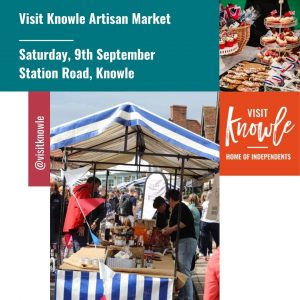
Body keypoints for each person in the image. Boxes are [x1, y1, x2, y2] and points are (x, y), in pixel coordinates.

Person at [163, 189, 197, 300]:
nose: (168, 203)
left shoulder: (180, 207)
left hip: (186, 241)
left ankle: (188, 297)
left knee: (184, 271)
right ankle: (183, 296)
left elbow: (185, 222)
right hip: (183, 241)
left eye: (168, 201)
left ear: (171, 199)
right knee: (182, 271)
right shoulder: (179, 207)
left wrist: (170, 229)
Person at [63, 177, 101, 252]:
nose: (96, 189)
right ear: (92, 183)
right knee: (80, 250)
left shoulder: (82, 189)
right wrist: (80, 225)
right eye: (96, 186)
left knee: (77, 247)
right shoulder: (85, 190)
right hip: (77, 224)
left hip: (75, 223)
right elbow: (80, 208)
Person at [201, 191, 220, 261]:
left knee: (205, 239)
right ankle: (218, 255)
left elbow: (203, 212)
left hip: (205, 221)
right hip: (215, 222)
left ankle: (205, 254)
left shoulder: (205, 203)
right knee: (218, 240)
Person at [50, 179, 63, 245]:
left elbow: (63, 212)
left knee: (55, 246)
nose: (50, 187)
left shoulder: (59, 197)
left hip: (56, 226)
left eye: (52, 185)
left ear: (55, 187)